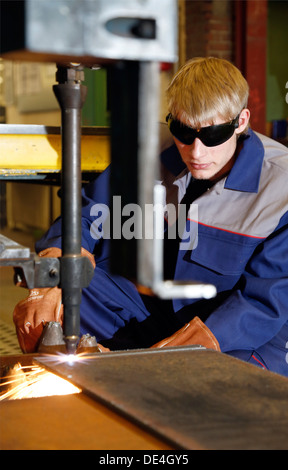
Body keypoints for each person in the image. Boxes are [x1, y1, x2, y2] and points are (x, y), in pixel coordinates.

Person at [13, 57, 288, 377]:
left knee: (212, 383)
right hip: (155, 305)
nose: (196, 152)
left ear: (241, 122)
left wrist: (204, 340)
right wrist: (51, 279)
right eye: (183, 131)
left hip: (238, 327)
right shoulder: (148, 154)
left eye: (212, 135)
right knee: (66, 302)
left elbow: (267, 299)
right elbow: (86, 217)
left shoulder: (279, 187)